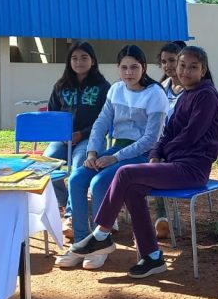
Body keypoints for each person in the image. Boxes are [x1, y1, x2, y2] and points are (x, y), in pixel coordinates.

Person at [69, 46, 218, 278]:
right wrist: (156, 153)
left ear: (203, 70)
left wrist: (162, 155)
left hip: (191, 170)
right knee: (132, 189)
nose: (185, 71)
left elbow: (190, 136)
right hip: (173, 165)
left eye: (193, 67)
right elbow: (167, 134)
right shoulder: (187, 94)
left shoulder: (206, 96)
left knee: (124, 174)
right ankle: (152, 256)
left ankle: (100, 235)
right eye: (182, 65)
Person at [56, 44, 169, 270]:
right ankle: (80, 242)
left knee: (99, 182)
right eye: (124, 67)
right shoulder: (116, 90)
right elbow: (101, 124)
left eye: (134, 67)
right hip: (116, 149)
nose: (129, 72)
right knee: (78, 179)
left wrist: (114, 158)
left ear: (144, 68)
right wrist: (92, 152)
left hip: (142, 154)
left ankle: (100, 244)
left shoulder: (155, 94)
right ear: (118, 68)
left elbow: (150, 139)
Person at [44, 41, 111, 237]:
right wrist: (62, 134)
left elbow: (105, 118)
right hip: (62, 139)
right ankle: (66, 204)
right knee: (47, 164)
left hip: (89, 139)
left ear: (93, 61)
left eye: (84, 57)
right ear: (69, 61)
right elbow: (53, 113)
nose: (79, 62)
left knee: (78, 164)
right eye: (74, 58)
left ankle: (72, 216)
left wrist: (80, 134)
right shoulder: (61, 86)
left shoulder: (103, 87)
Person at [152, 41, 187, 239]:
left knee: (157, 166)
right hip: (161, 143)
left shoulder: (193, 90)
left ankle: (161, 218)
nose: (168, 66)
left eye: (172, 60)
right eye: (164, 62)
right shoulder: (160, 88)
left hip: (181, 148)